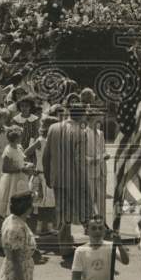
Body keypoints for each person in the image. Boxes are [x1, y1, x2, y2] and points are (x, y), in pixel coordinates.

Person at [43, 100, 95, 262]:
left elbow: (46, 156)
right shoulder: (81, 132)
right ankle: (94, 246)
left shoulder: (53, 128)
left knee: (63, 213)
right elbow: (79, 160)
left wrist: (47, 176)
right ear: (82, 116)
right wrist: (85, 182)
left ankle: (64, 246)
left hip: (58, 178)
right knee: (87, 212)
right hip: (75, 179)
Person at [0, 127, 32, 221]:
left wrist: (27, 165)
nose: (21, 138)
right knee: (12, 194)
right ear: (15, 139)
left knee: (22, 194)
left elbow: (20, 160)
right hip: (13, 178)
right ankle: (10, 213)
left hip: (22, 176)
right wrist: (21, 169)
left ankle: (22, 212)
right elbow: (5, 168)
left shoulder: (19, 147)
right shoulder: (8, 150)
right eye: (20, 137)